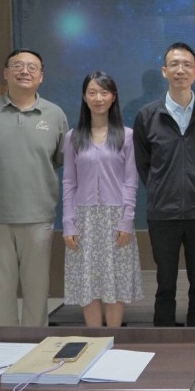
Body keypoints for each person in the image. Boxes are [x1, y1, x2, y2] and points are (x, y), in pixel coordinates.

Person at [0, 48, 68, 326]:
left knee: (37, 293)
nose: (24, 71)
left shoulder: (55, 114)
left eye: (32, 67)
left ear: (41, 76)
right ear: (6, 73)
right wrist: (0, 174)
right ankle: (5, 346)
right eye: (17, 65)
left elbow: (58, 160)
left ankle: (35, 347)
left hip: (38, 217)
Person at [133, 42, 195, 327]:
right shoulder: (147, 115)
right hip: (163, 213)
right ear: (164, 71)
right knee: (165, 282)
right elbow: (143, 165)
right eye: (174, 64)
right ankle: (165, 339)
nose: (180, 70)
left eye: (186, 65)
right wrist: (162, 188)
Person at [62, 72, 143, 327]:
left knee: (115, 281)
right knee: (88, 282)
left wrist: (127, 220)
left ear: (113, 97)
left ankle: (113, 339)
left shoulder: (126, 136)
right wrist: (68, 223)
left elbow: (131, 181)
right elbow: (69, 183)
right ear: (84, 97)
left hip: (116, 218)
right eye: (92, 92)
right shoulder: (73, 137)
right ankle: (94, 340)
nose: (98, 98)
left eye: (104, 92)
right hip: (83, 219)